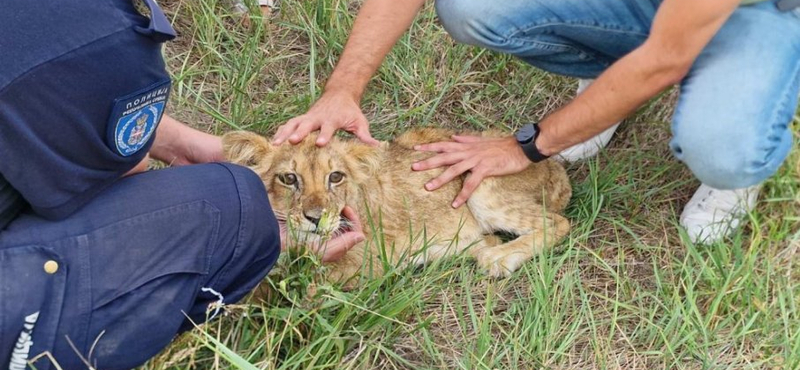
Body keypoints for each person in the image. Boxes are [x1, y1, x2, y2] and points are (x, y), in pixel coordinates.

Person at [0, 1, 363, 369]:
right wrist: (270, 241)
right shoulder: (107, 34)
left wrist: (172, 141)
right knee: (235, 203)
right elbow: (125, 171)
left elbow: (46, 90)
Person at [274, 0, 800, 244]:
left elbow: (668, 56)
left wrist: (529, 146)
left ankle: (739, 164)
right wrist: (343, 89)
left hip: (760, 13)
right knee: (474, 7)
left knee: (722, 141)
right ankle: (607, 77)